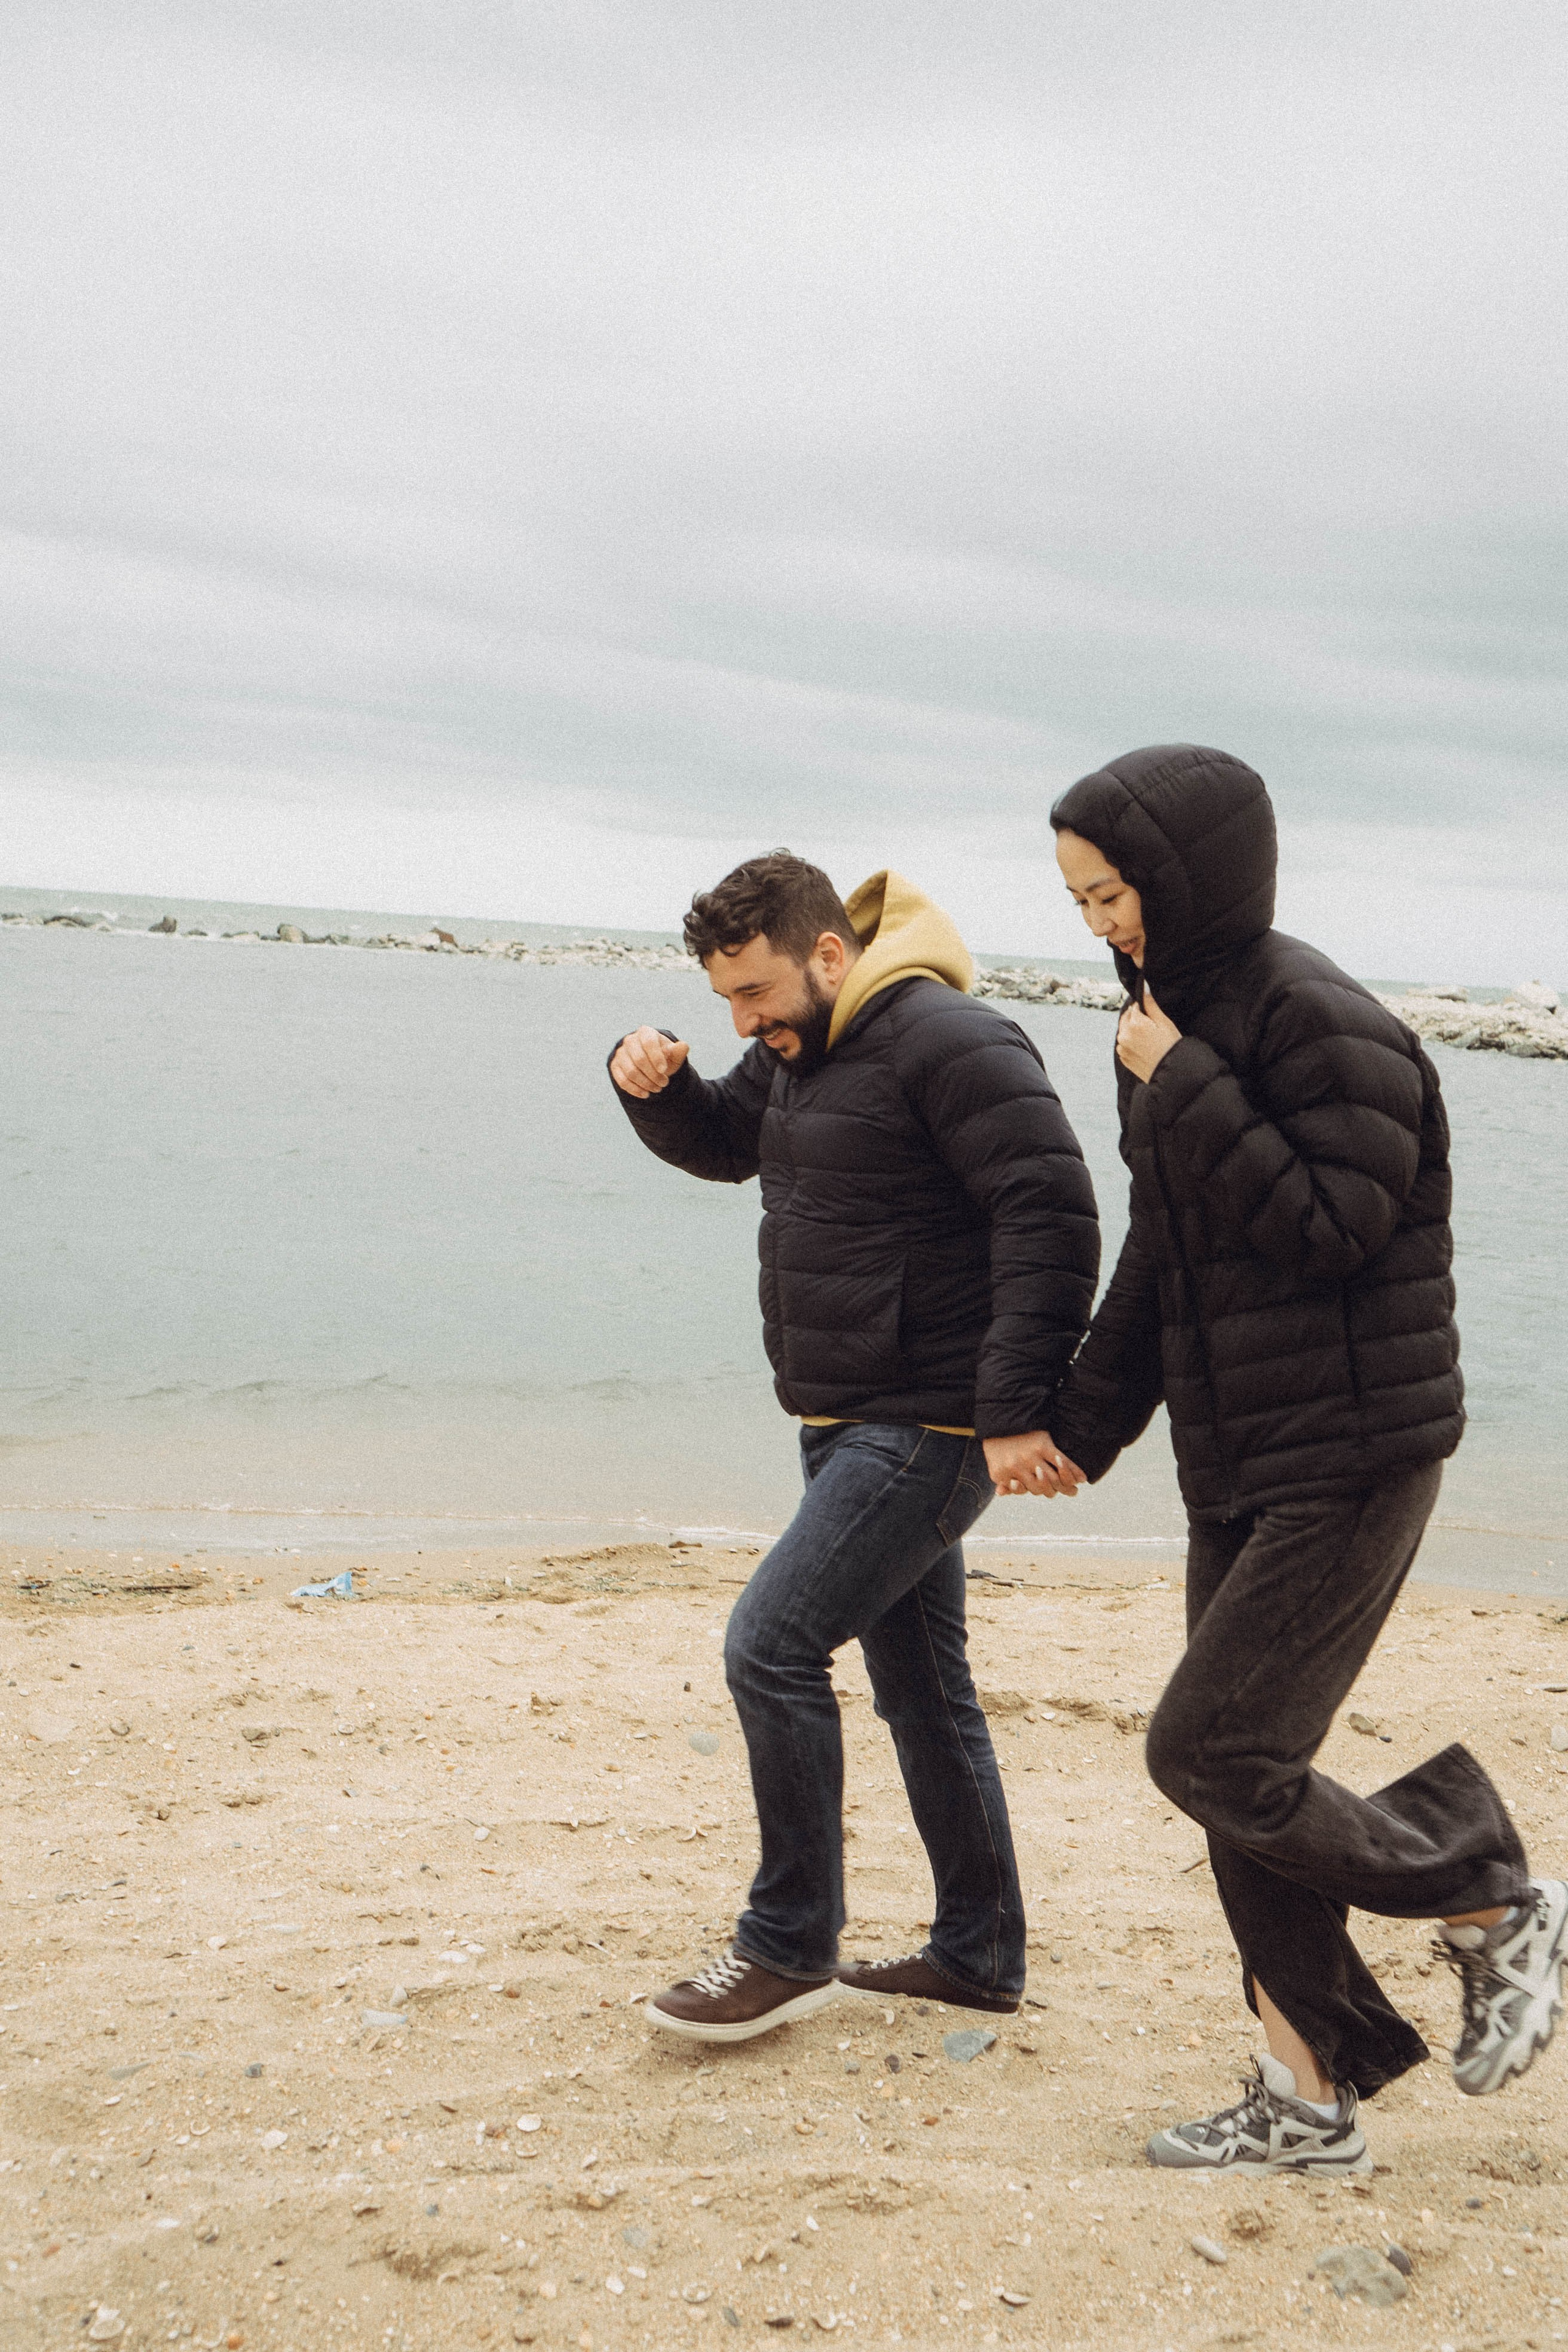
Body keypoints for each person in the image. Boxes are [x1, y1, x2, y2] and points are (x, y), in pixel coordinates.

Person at [1038, 742, 1566, 2175]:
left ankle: (1487, 1894)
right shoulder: (1164, 1025)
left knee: (1205, 1751)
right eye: (1080, 900)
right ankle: (1307, 2091)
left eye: (1114, 892)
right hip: (1236, 1455)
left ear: (1191, 872)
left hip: (1353, 1450)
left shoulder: (1321, 1022)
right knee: (1237, 1783)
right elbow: (1166, 1251)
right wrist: (1078, 1431)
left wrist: (1189, 1081)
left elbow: (1332, 1227)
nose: (1099, 925)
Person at [608, 851, 1099, 2040]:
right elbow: (730, 1143)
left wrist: (1017, 1404)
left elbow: (1052, 1211)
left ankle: (785, 1947)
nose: (743, 1020)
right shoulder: (801, 1048)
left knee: (768, 1645)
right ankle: (978, 1954)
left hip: (927, 1421)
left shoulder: (950, 1041)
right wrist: (655, 1089)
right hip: (841, 1415)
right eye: (723, 999)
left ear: (829, 954)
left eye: (755, 993)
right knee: (924, 1694)